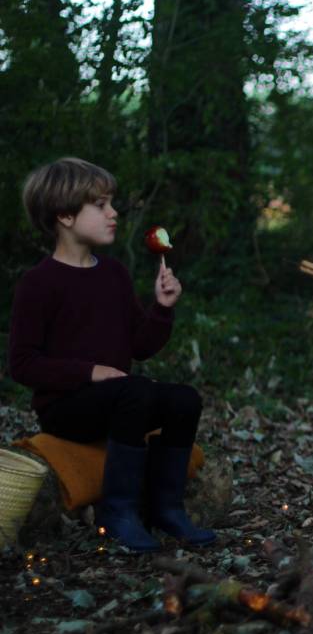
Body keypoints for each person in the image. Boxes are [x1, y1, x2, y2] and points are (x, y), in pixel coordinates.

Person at [7, 157, 215, 552]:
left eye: (110, 203)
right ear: (65, 215)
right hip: (67, 408)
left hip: (120, 402)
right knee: (135, 391)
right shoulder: (39, 283)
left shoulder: (114, 274)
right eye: (100, 205)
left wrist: (163, 307)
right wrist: (91, 372)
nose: (113, 213)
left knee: (184, 400)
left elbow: (140, 346)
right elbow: (22, 364)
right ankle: (118, 512)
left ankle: (166, 508)